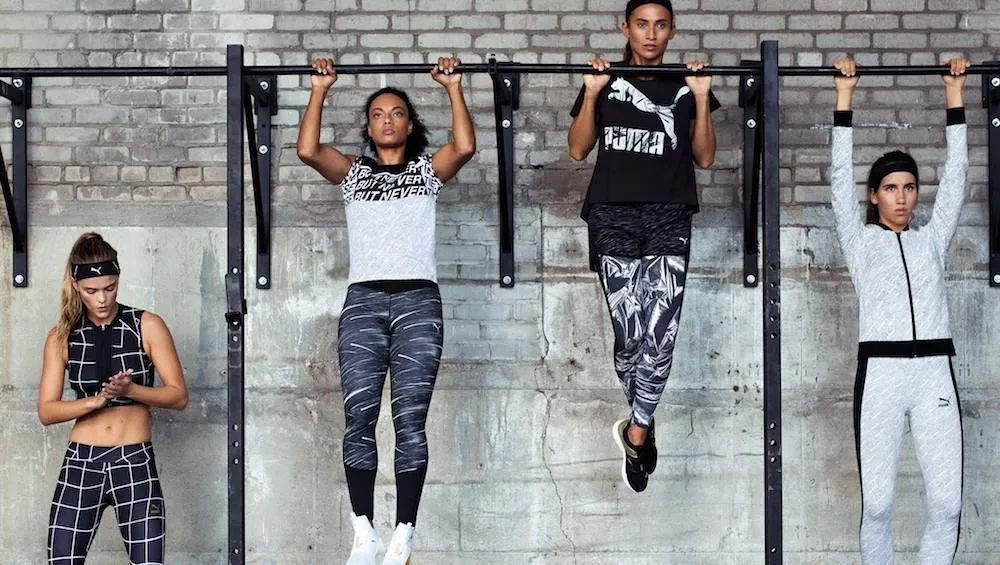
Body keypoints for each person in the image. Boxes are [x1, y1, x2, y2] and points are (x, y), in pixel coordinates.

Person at [297, 55, 475, 565]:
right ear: (369, 127)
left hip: (418, 302)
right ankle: (363, 531)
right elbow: (307, 149)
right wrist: (320, 89)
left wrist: (453, 87)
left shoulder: (425, 172)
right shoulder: (354, 174)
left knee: (409, 421)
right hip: (365, 303)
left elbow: (464, 146)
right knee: (358, 417)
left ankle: (404, 533)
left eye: (397, 113)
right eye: (377, 114)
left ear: (410, 124)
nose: (388, 120)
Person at [566, 0, 719, 493]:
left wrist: (702, 97)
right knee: (629, 335)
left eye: (660, 25)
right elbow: (577, 148)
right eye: (641, 25)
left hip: (668, 212)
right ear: (625, 28)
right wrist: (592, 93)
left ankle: (637, 427)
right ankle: (642, 424)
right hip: (612, 211)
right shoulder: (604, 80)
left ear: (672, 31)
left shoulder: (686, 84)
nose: (650, 34)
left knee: (661, 332)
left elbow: (705, 157)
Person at [831, 57, 969, 564]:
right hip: (882, 375)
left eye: (909, 187)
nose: (902, 198)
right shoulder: (859, 241)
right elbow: (838, 177)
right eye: (891, 188)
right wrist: (844, 97)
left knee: (947, 504)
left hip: (933, 373)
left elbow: (957, 178)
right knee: (879, 505)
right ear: (874, 195)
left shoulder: (931, 240)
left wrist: (954, 95)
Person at [38, 232, 189, 564]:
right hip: (82, 462)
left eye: (110, 288)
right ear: (76, 286)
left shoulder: (146, 325)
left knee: (148, 561)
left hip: (134, 461)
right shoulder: (61, 336)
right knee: (61, 559)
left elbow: (178, 396)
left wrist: (131, 391)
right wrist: (92, 402)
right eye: (91, 291)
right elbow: (47, 411)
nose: (102, 299)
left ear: (118, 280)